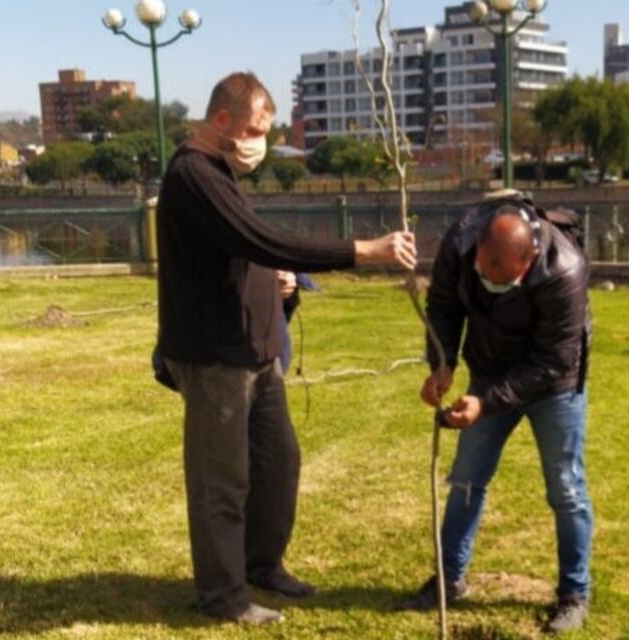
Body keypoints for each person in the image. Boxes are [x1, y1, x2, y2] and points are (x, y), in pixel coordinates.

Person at [156, 71, 416, 626]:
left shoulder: (221, 173)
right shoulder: (193, 175)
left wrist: (278, 278)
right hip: (216, 357)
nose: (259, 143)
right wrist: (363, 250)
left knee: (279, 463)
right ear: (221, 120)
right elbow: (256, 238)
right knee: (221, 480)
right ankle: (223, 596)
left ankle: (262, 564)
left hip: (258, 351)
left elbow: (240, 250)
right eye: (253, 129)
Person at [398, 193, 593, 634]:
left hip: (554, 383)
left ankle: (574, 593)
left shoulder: (565, 270)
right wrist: (442, 362)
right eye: (484, 270)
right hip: (488, 368)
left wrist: (486, 403)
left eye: (501, 276)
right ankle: (448, 581)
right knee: (467, 478)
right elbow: (444, 307)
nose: (488, 280)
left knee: (566, 487)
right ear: (478, 248)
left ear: (531, 259)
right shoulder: (460, 244)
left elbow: (553, 361)